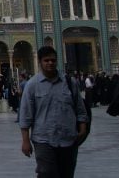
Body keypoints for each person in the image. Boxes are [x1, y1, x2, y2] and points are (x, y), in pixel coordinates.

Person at [19, 45, 89, 178]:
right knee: (46, 172)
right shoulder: (32, 85)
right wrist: (25, 141)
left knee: (66, 173)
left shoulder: (69, 82)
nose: (50, 63)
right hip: (43, 139)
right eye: (46, 60)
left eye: (53, 60)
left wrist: (83, 129)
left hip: (68, 138)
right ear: (39, 62)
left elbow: (80, 108)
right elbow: (25, 115)